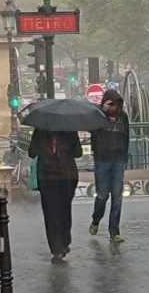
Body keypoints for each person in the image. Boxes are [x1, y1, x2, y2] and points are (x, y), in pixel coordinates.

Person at [28, 128, 82, 263]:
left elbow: (78, 152)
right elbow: (32, 152)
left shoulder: (69, 130)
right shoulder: (41, 131)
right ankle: (57, 248)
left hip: (65, 177)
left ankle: (64, 242)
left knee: (62, 211)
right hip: (49, 177)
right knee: (52, 213)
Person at [89, 89, 130, 242]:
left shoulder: (123, 117)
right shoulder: (98, 116)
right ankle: (96, 219)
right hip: (102, 160)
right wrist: (102, 112)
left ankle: (114, 230)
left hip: (118, 160)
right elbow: (90, 129)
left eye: (116, 104)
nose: (113, 107)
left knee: (117, 197)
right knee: (102, 195)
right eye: (110, 104)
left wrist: (125, 157)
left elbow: (127, 136)